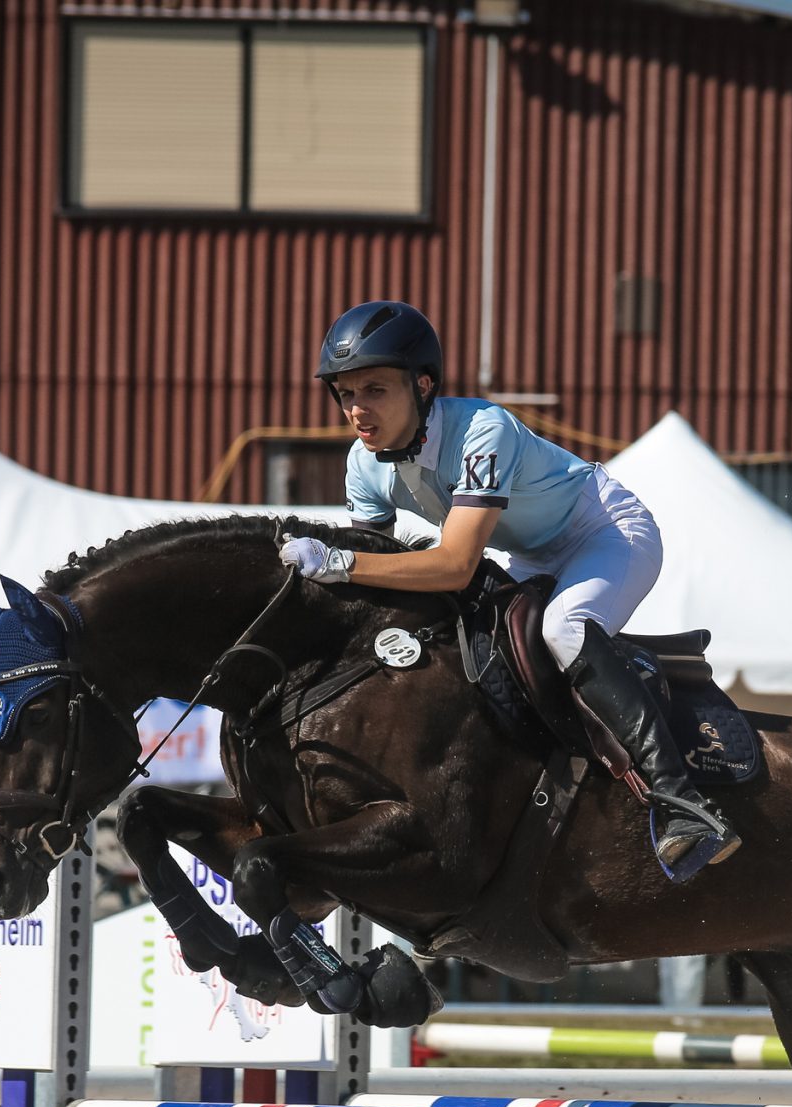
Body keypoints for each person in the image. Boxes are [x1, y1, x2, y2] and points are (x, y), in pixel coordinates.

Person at [279, 299, 741, 878]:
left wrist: (338, 561)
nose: (356, 410)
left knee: (564, 628)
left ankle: (684, 807)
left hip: (606, 530)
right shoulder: (361, 463)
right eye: (345, 394)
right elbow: (375, 574)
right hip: (527, 551)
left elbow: (450, 565)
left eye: (374, 389)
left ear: (423, 387)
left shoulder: (482, 429)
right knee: (463, 639)